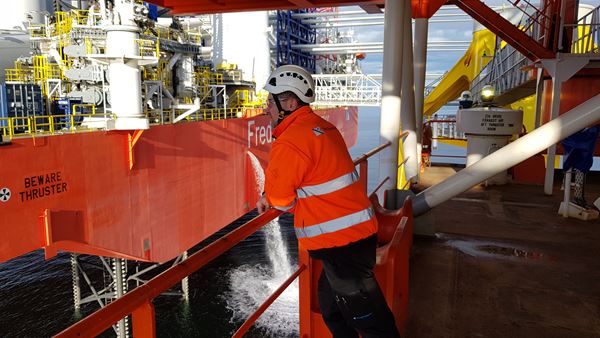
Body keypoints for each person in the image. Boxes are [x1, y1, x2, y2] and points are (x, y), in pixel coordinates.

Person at [256, 65, 401, 338]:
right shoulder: (324, 127)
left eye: (270, 101)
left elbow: (280, 198)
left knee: (372, 322)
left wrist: (274, 198)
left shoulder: (291, 141)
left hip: (342, 244)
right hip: (354, 236)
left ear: (289, 102)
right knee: (331, 308)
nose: (266, 108)